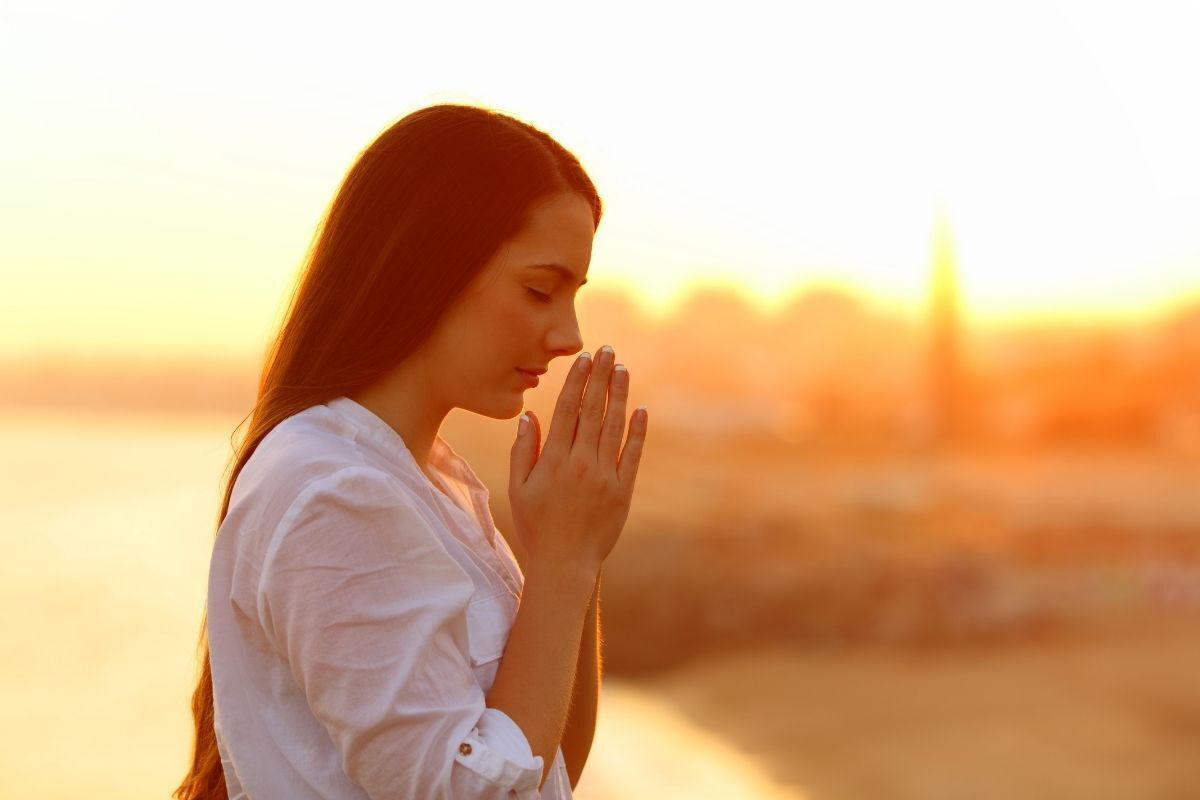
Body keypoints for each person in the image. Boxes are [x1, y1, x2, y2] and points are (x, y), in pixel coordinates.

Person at [173, 103, 649, 799]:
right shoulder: (330, 490)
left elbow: (549, 769)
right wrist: (562, 563)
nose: (569, 335)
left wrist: (572, 559)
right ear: (427, 267)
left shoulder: (434, 482)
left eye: (571, 295)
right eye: (539, 290)